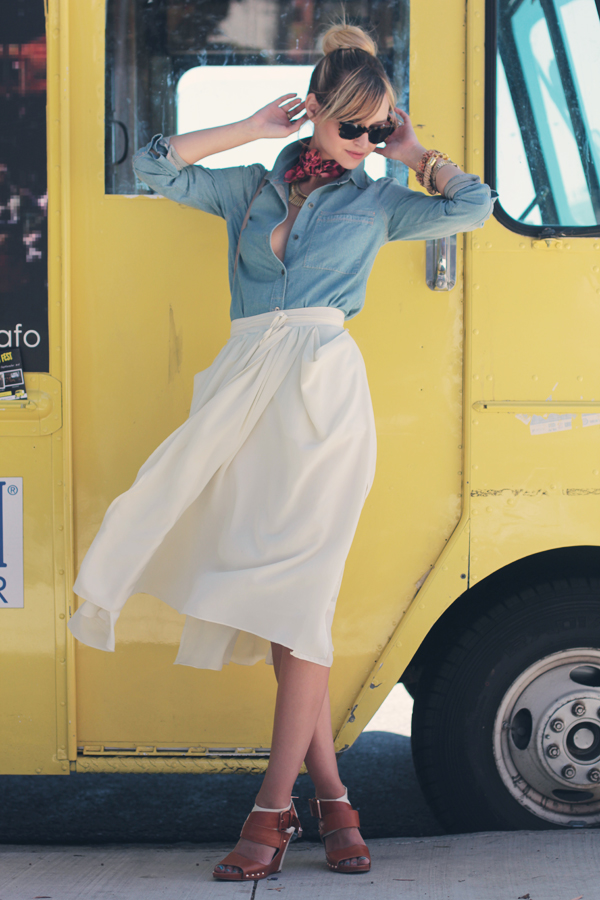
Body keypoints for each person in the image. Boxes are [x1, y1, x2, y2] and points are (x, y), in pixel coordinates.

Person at [67, 21, 497, 883]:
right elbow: (153, 166)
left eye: (378, 127)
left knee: (300, 600)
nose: (365, 142)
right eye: (353, 126)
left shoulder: (380, 199)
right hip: (243, 404)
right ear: (316, 114)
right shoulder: (251, 191)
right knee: (284, 608)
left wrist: (416, 153)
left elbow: (472, 207)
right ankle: (334, 801)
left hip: (323, 406)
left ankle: (270, 810)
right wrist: (252, 128)